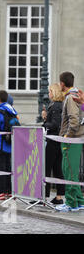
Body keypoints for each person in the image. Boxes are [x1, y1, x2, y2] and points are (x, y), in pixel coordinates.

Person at [55, 72, 84, 212]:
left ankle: (71, 203)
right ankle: (78, 201)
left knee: (69, 171)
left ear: (62, 83)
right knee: (72, 171)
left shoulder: (70, 98)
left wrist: (67, 136)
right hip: (76, 139)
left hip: (71, 140)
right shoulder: (76, 95)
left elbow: (74, 120)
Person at [41, 83, 66, 205]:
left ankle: (44, 196)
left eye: (50, 91)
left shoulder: (55, 106)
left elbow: (55, 124)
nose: (49, 94)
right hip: (57, 140)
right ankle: (59, 197)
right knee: (57, 169)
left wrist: (45, 122)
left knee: (46, 168)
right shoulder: (59, 105)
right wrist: (46, 119)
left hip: (53, 140)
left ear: (54, 92)